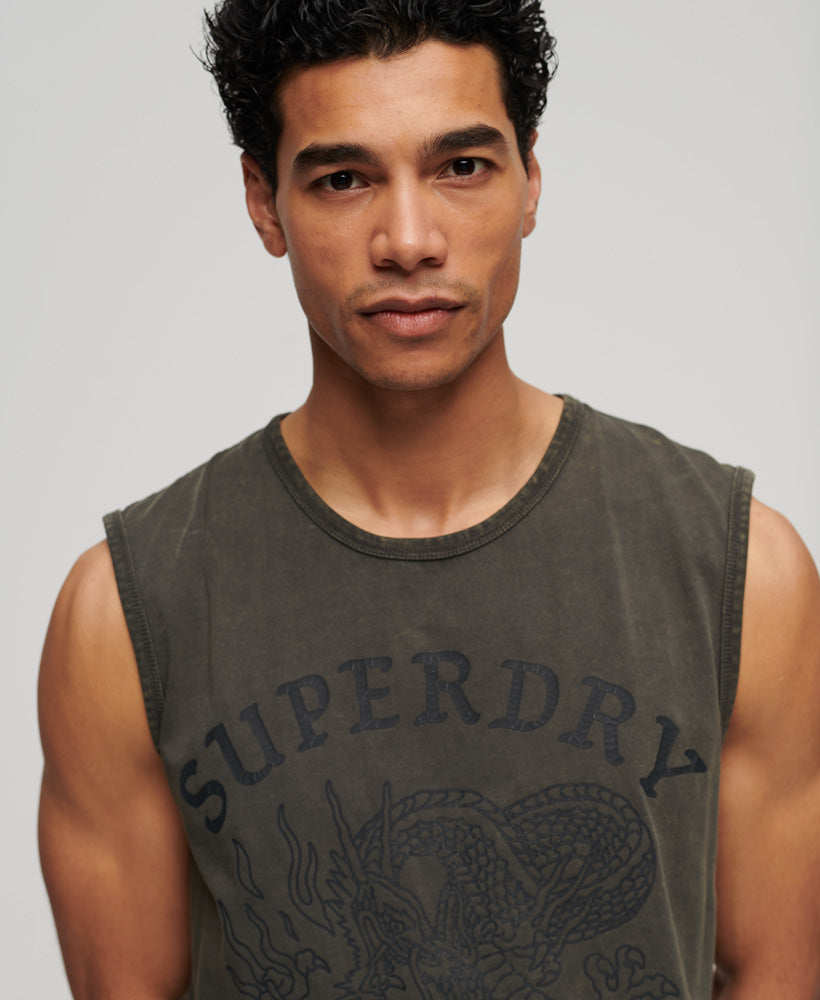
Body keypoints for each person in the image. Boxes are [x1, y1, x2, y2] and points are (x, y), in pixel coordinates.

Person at [37, 1, 820, 997]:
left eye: (461, 166)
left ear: (531, 181)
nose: (408, 240)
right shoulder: (122, 618)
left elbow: (776, 970)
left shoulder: (744, 575)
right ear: (265, 203)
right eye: (343, 179)